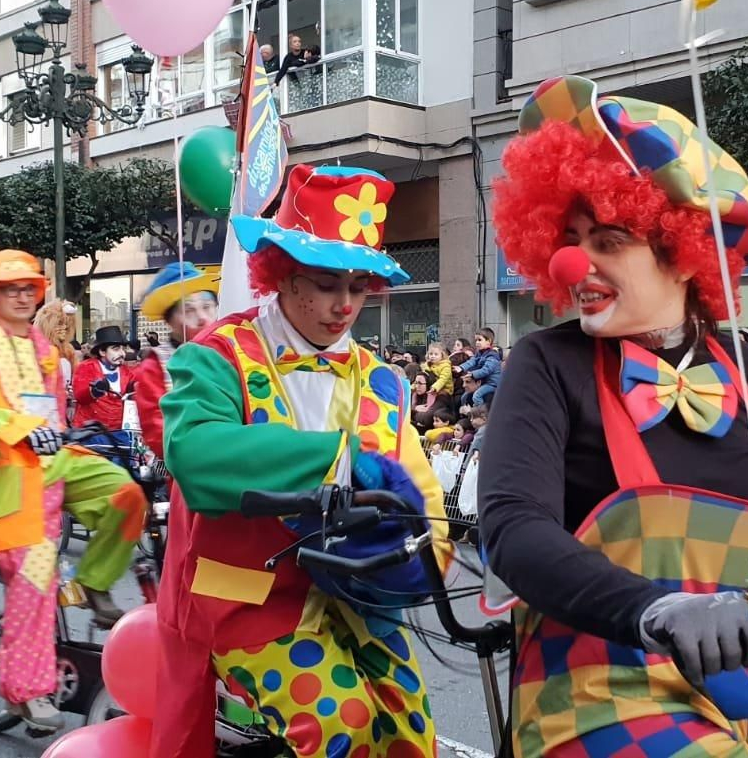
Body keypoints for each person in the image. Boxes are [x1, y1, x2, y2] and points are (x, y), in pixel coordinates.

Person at [482, 76, 748, 755]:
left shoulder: (741, 365)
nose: (576, 262)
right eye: (571, 238)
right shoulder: (546, 361)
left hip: (734, 689)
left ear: (681, 248)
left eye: (608, 239)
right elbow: (513, 528)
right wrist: (654, 608)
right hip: (589, 689)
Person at [153, 165, 450, 758]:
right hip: (247, 597)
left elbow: (419, 490)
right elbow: (194, 453)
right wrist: (336, 462)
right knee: (338, 723)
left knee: (410, 733)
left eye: (358, 287)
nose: (344, 305)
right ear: (283, 276)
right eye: (325, 283)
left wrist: (428, 551)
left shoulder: (383, 381)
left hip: (354, 594)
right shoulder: (218, 356)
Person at [0, 250, 146, 733]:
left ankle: (95, 582)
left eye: (27, 288)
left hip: (52, 463)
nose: (19, 295)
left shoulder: (40, 345)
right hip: (3, 476)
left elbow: (54, 410)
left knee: (127, 494)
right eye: (9, 288)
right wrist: (19, 428)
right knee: (38, 571)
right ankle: (27, 693)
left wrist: (74, 430)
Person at [131, 262, 218, 460]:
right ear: (169, 321)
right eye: (189, 310)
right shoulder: (155, 366)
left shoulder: (230, 353)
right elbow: (159, 432)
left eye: (207, 307)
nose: (203, 318)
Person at [72, 325, 135, 435]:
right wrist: (94, 391)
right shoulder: (87, 367)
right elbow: (80, 395)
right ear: (102, 352)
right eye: (116, 349)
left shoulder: (127, 372)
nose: (122, 354)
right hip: (90, 433)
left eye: (123, 349)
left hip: (118, 434)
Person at [457, 328, 503, 408]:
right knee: (464, 397)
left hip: (492, 384)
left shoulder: (492, 356)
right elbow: (472, 361)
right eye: (476, 340)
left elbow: (486, 370)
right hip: (483, 382)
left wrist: (473, 374)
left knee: (476, 396)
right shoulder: (480, 353)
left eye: (479, 340)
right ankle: (465, 412)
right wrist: (461, 367)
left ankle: (480, 413)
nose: (477, 342)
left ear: (488, 341)